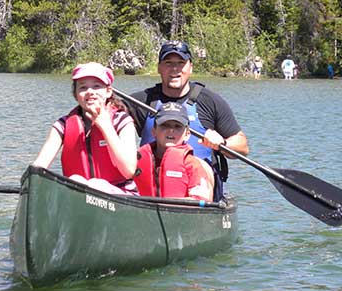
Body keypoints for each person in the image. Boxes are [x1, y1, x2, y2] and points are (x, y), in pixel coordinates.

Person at [126, 40, 249, 201]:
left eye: (181, 63)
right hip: (150, 191)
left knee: (200, 168)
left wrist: (223, 145)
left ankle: (195, 205)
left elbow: (243, 147)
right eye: (168, 63)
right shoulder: (141, 101)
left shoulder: (210, 101)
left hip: (199, 189)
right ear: (159, 68)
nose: (175, 69)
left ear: (190, 67)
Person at [32, 62, 138, 195]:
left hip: (121, 196)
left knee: (96, 185)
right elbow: (39, 167)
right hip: (79, 194)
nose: (90, 92)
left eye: (97, 86)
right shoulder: (62, 125)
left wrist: (105, 126)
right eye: (83, 87)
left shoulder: (122, 121)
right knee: (76, 180)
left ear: (108, 91)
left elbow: (129, 170)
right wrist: (32, 182)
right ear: (75, 94)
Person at [134, 102, 214, 201]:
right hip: (143, 211)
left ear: (187, 134)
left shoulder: (193, 165)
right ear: (154, 131)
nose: (171, 130)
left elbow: (200, 199)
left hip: (178, 213)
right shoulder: (136, 159)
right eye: (165, 125)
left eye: (177, 126)